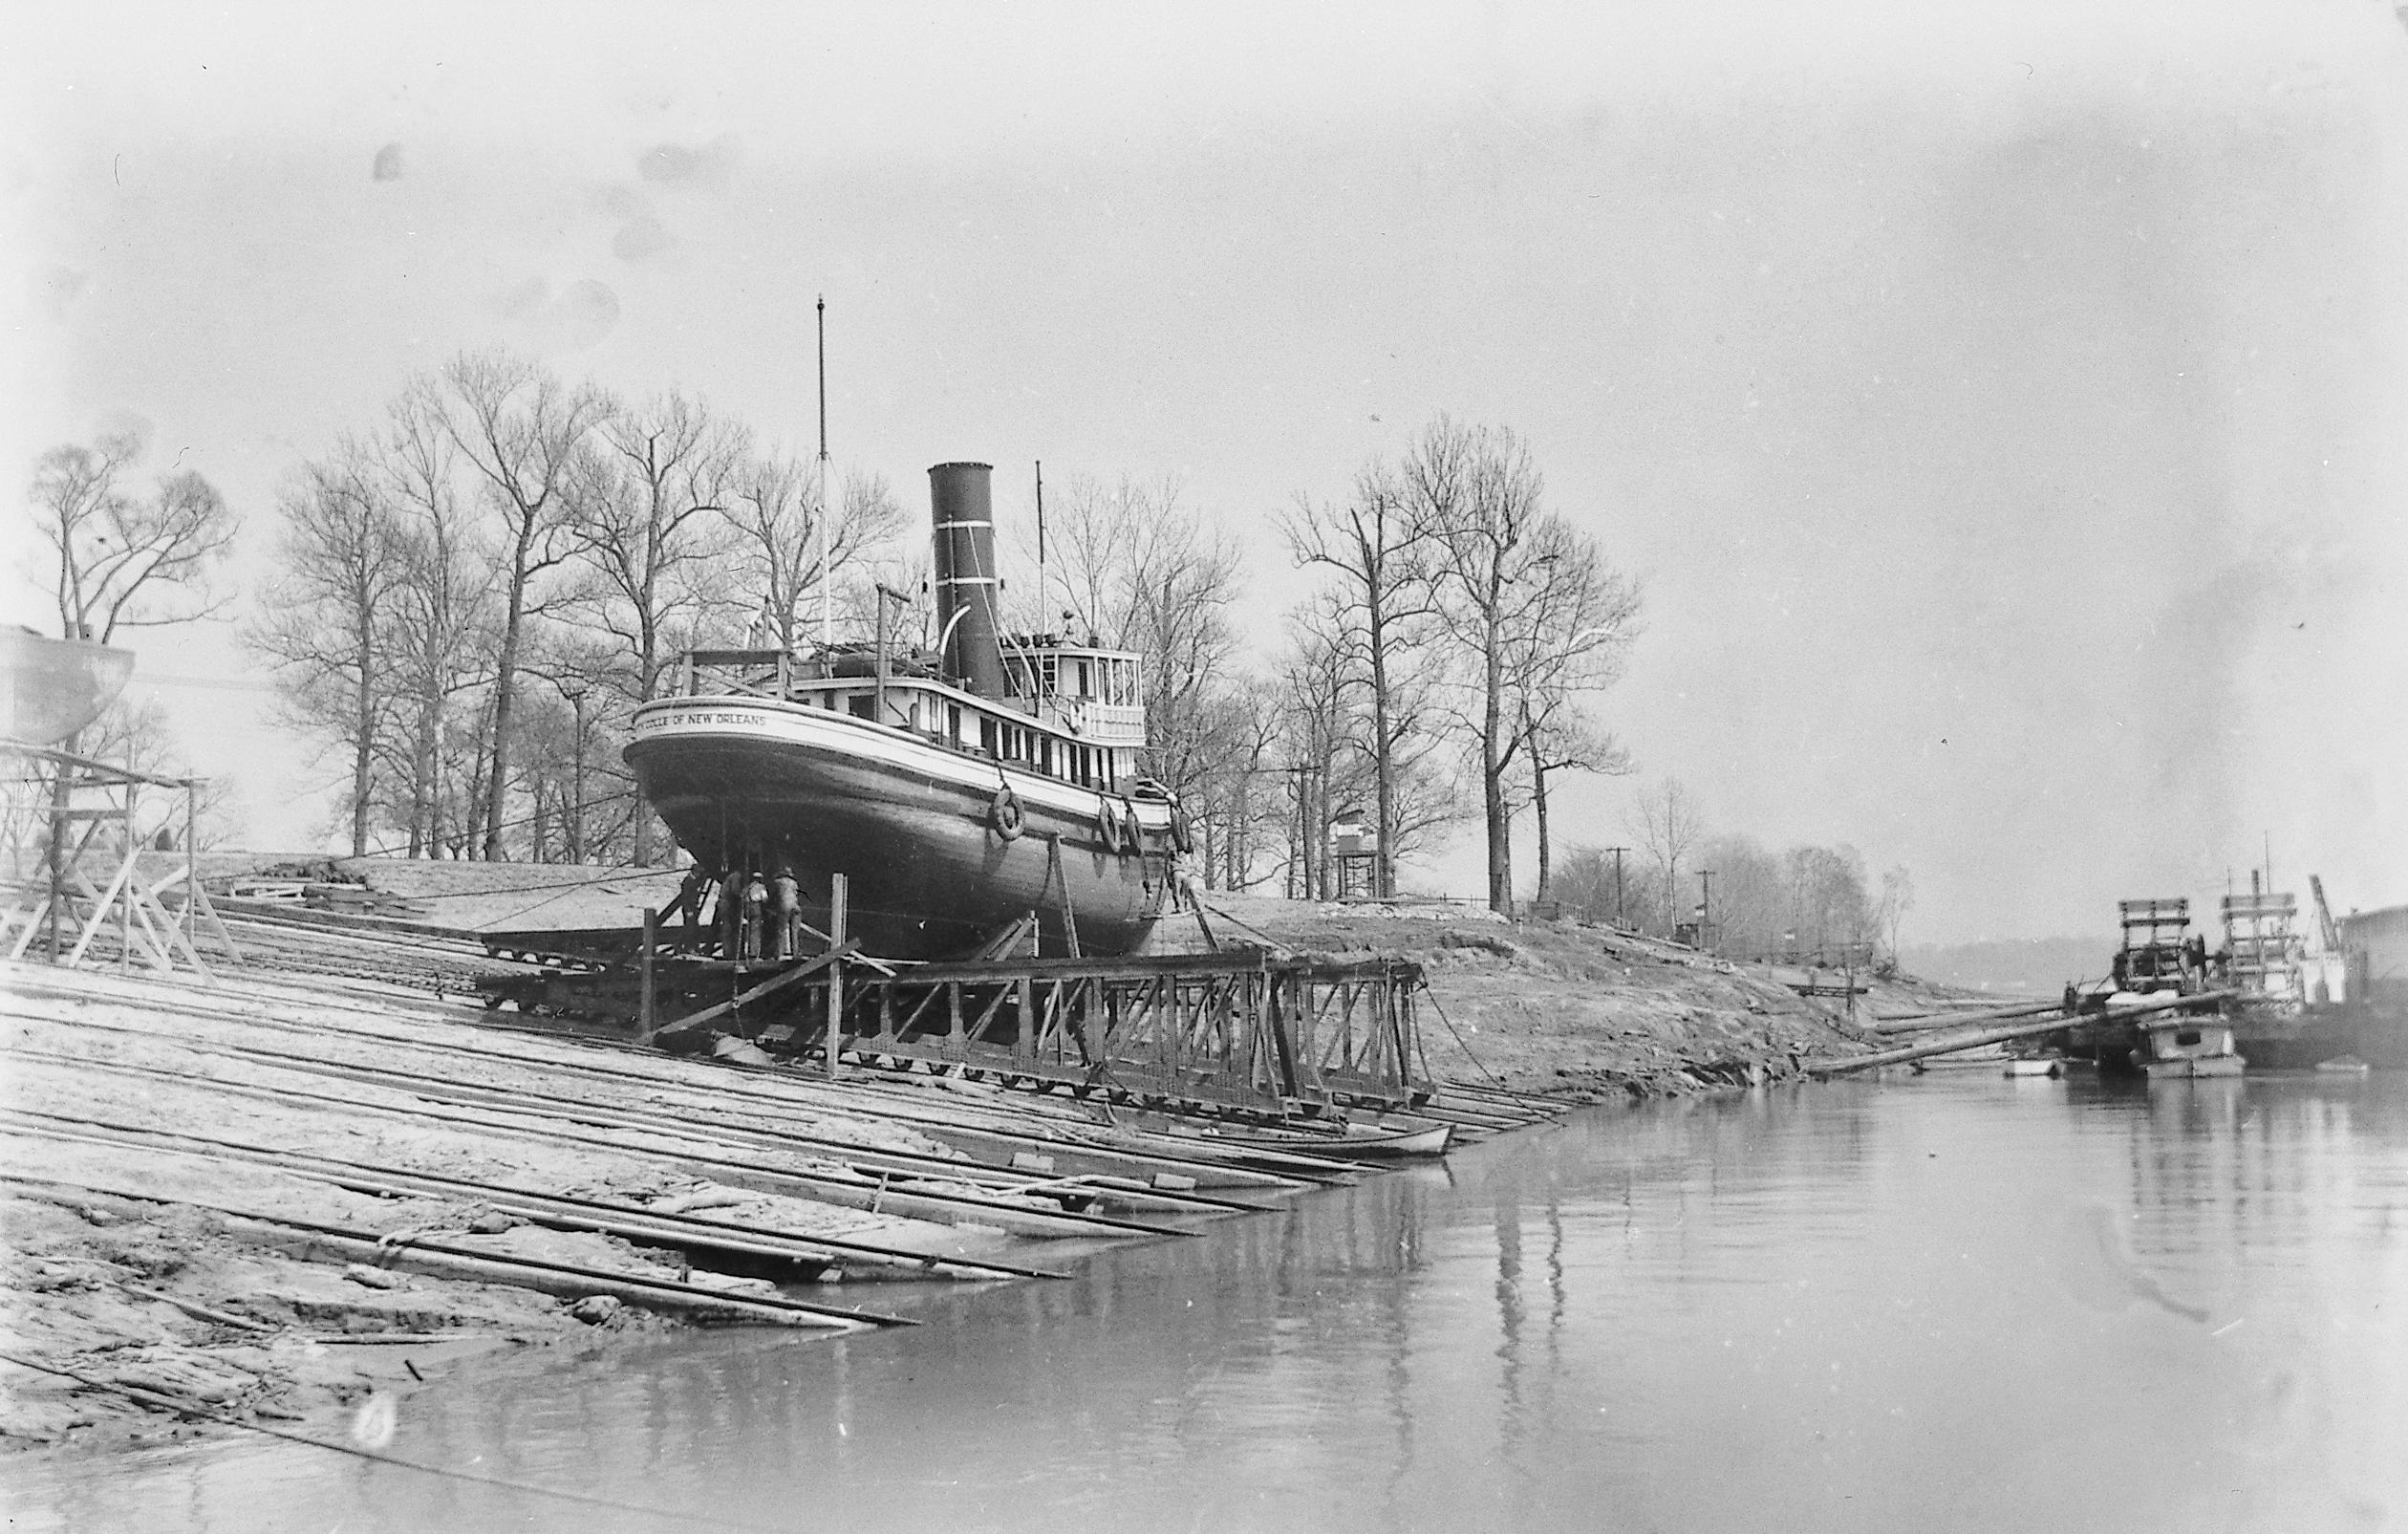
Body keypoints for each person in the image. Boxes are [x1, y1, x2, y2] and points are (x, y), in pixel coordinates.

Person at [769, 866, 800, 960]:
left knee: (782, 929)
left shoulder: (778, 882)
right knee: (795, 931)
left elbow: (773, 895)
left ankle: (781, 953)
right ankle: (795, 952)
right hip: (796, 906)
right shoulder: (794, 883)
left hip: (784, 906)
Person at [739, 872, 769, 961]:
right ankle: (754, 952)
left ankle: (746, 950)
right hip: (756, 907)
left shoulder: (748, 887)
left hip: (747, 908)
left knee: (748, 929)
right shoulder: (761, 887)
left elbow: (741, 896)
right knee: (755, 930)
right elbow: (764, 899)